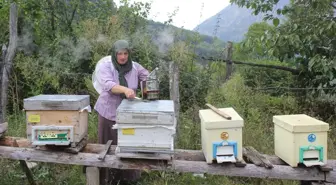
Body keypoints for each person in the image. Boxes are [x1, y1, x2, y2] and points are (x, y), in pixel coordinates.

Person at [93, 39, 149, 185]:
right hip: (108, 113)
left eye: (125, 53)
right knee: (108, 146)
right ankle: (107, 179)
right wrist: (125, 89)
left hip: (129, 114)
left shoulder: (135, 67)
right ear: (114, 54)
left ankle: (128, 180)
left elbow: (147, 77)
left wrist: (147, 88)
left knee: (129, 146)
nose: (123, 57)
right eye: (119, 54)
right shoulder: (106, 66)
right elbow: (108, 85)